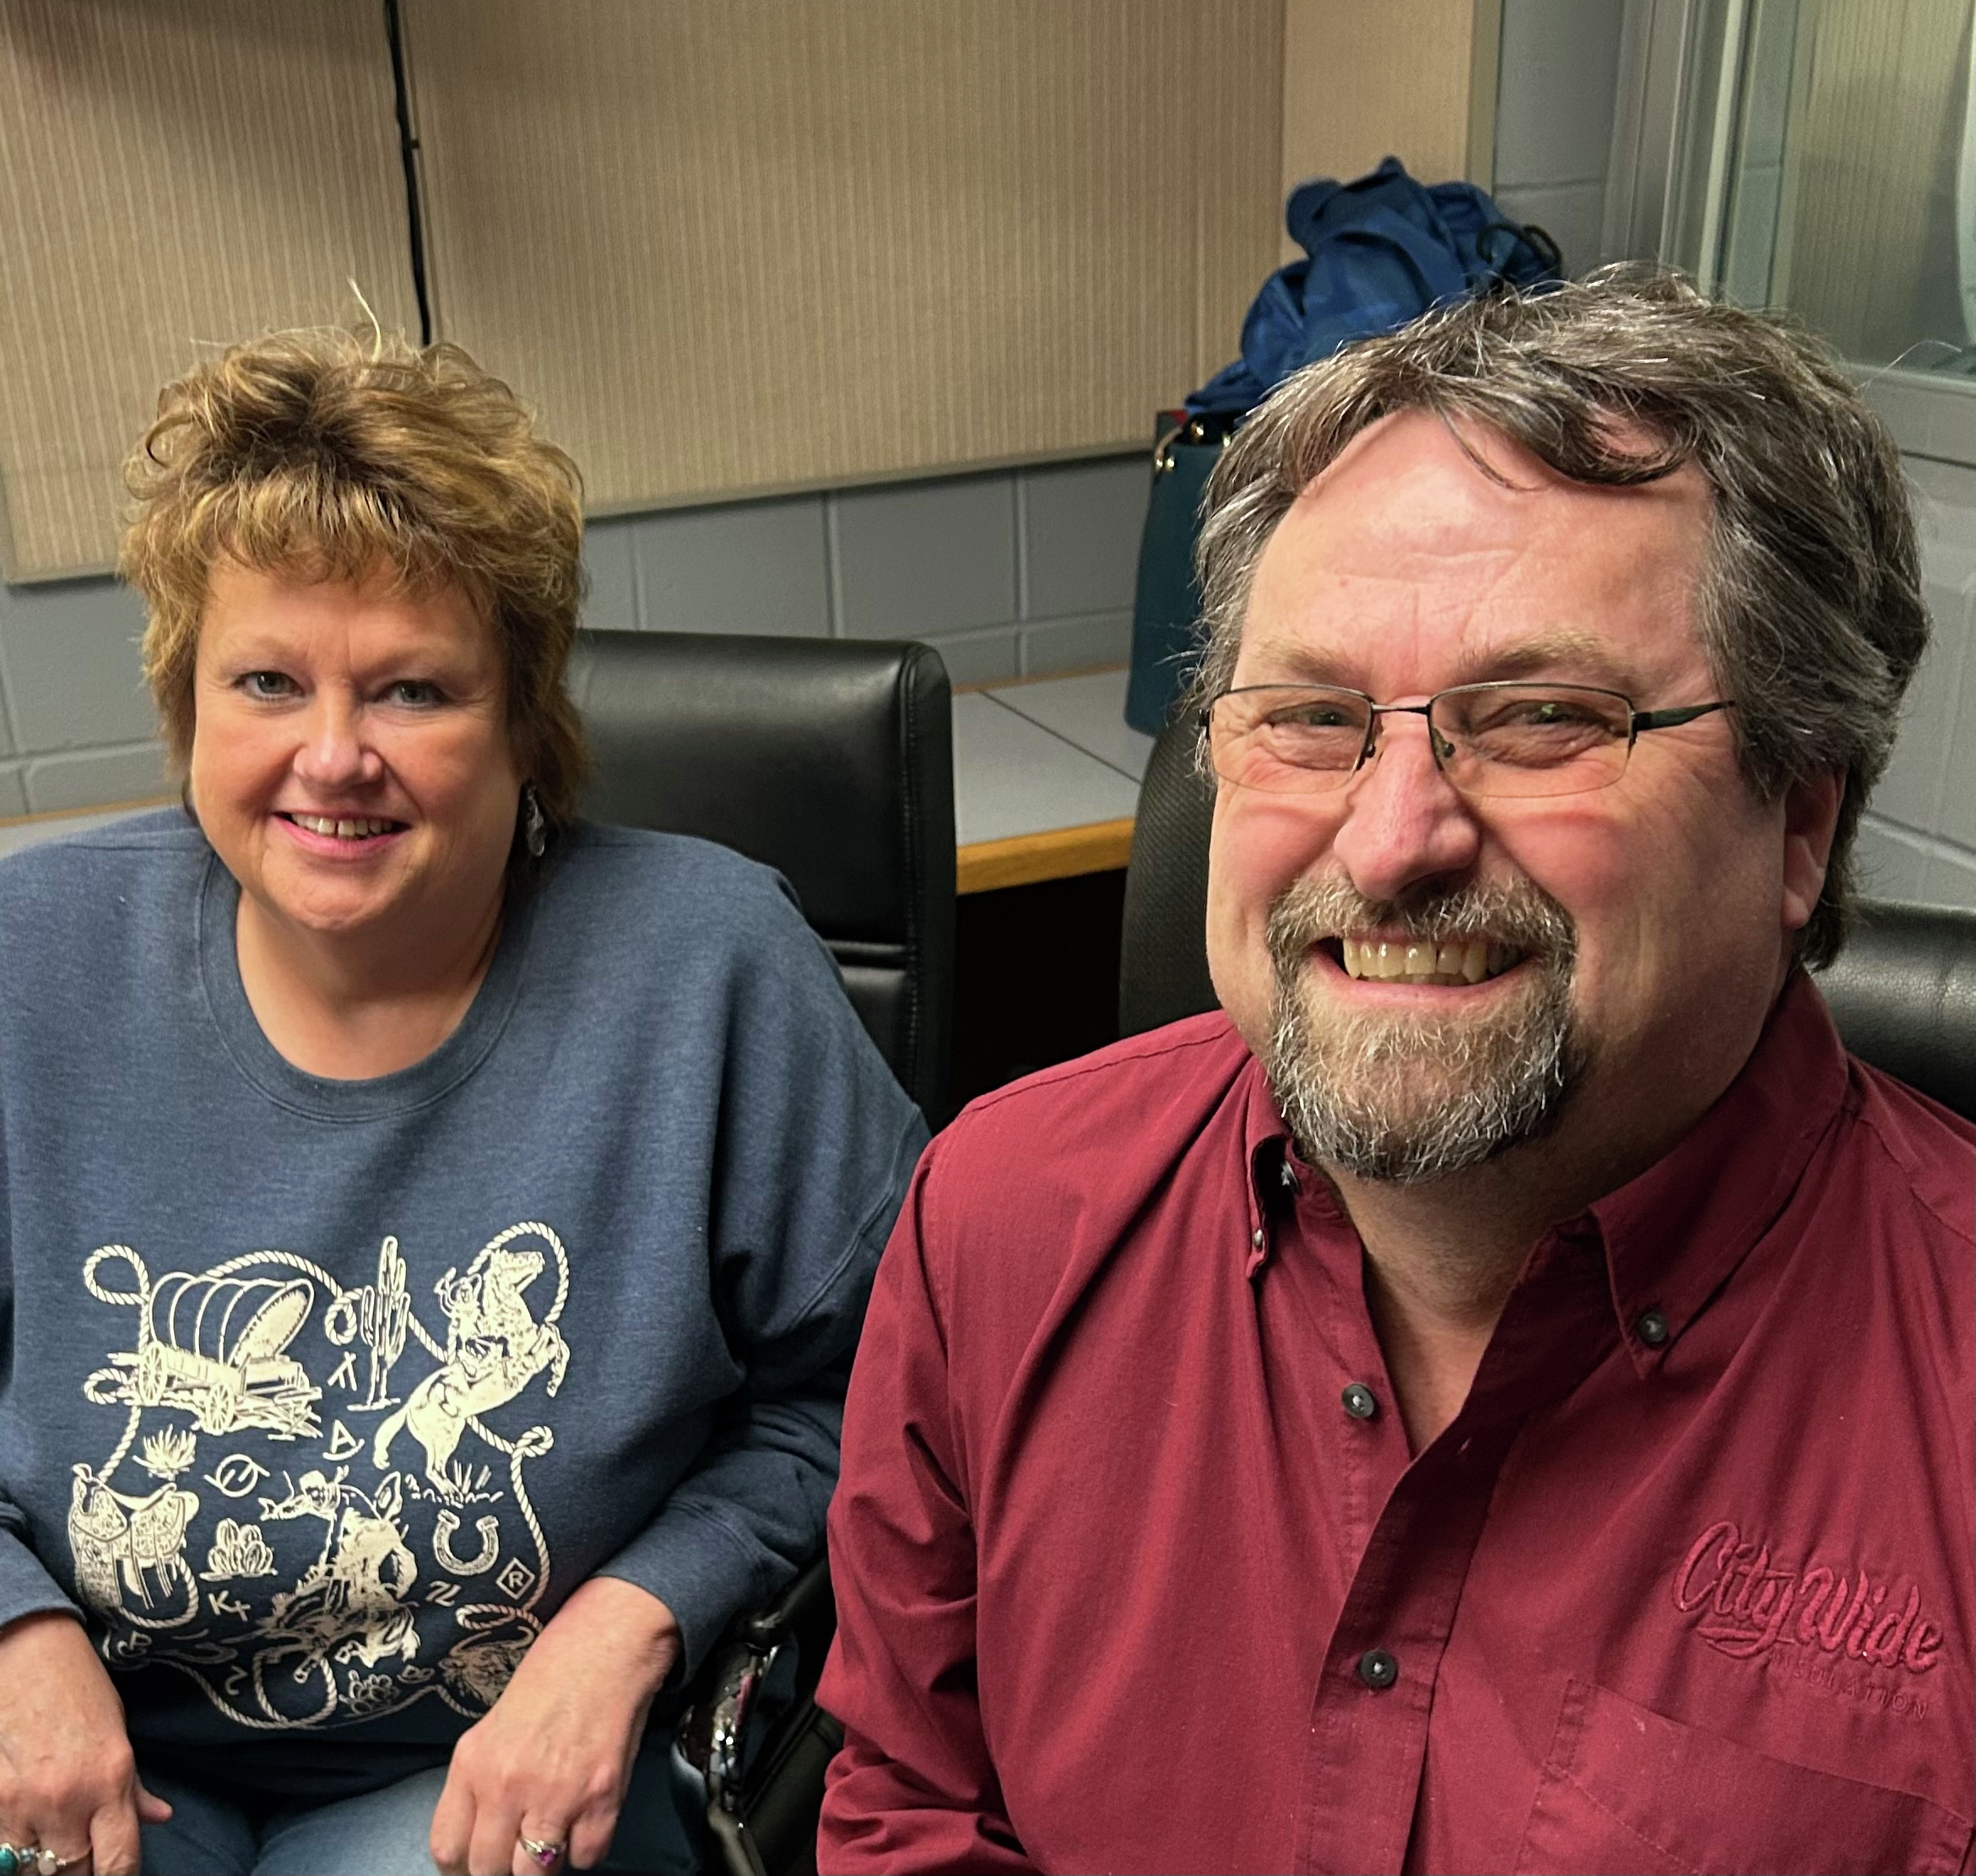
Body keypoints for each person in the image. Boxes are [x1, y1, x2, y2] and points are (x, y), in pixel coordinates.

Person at [816, 269, 1973, 1874]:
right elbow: (915, 1805)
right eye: (1309, 717)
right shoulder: (1001, 1222)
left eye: (1544, 718)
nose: (1389, 842)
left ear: (1800, 822)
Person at [0, 331, 924, 1876]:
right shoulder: (30, 957)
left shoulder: (706, 967)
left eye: (413, 691)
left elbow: (899, 1386)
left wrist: (637, 1617)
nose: (333, 757)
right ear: (187, 706)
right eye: (267, 682)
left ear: (524, 723)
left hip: (487, 1770)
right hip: (96, 1751)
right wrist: (16, 1635)